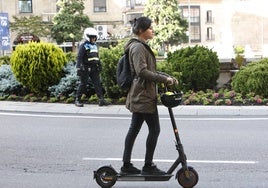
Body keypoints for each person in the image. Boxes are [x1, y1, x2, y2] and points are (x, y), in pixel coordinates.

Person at [121, 17, 178, 175]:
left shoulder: (141, 46)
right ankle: (148, 166)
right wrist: (164, 79)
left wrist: (167, 76)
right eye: (150, 28)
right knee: (154, 129)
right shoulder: (138, 48)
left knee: (134, 129)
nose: (152, 30)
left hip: (141, 94)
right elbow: (142, 72)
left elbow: (149, 70)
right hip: (143, 95)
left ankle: (126, 165)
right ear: (141, 31)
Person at [75, 27, 110, 107]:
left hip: (94, 68)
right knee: (83, 84)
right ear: (88, 37)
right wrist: (79, 67)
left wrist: (99, 64)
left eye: (95, 37)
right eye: (92, 37)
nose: (94, 39)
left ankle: (101, 100)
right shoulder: (83, 46)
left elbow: (97, 56)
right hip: (85, 68)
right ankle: (77, 100)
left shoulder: (95, 46)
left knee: (97, 84)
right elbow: (79, 57)